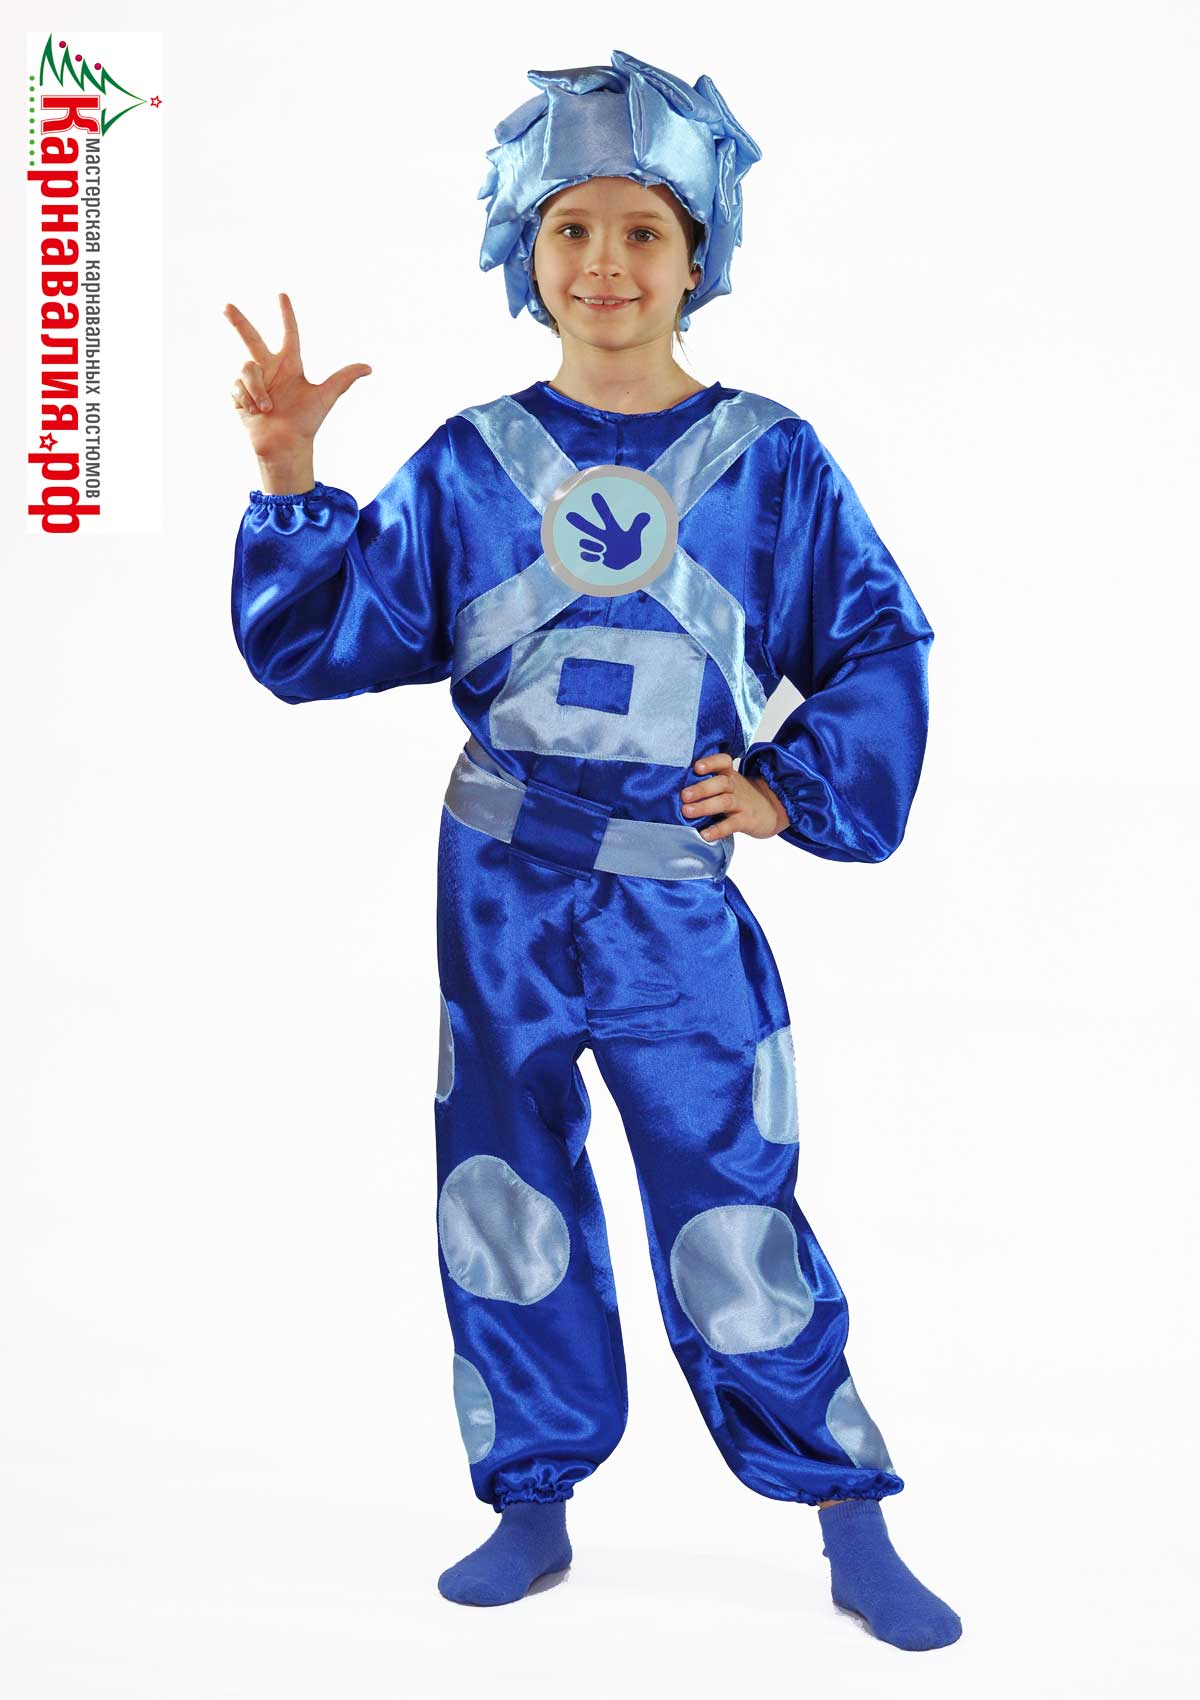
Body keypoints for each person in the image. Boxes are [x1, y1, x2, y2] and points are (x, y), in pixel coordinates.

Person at [225, 50, 961, 1652]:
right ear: (524, 249)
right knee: (501, 1173)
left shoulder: (769, 460)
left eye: (642, 229)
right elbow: (326, 640)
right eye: (571, 228)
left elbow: (877, 642)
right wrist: (288, 476)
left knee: (729, 1187)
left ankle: (845, 1507)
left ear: (698, 254)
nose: (605, 263)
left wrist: (788, 789)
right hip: (498, 884)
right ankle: (533, 1495)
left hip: (672, 891)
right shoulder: (474, 460)